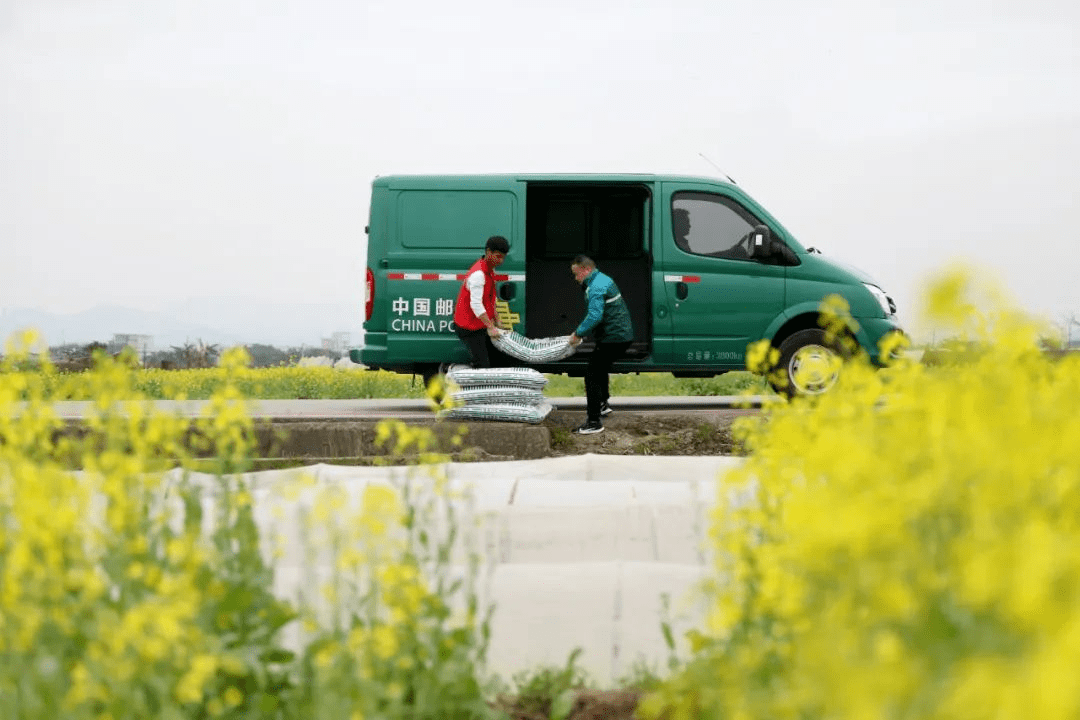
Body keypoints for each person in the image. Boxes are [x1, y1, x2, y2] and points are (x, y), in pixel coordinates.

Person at [568, 255, 634, 434]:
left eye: (577, 274)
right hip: (619, 336)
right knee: (600, 367)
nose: (576, 279)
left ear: (586, 270)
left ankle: (594, 422)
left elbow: (595, 316)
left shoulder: (595, 287)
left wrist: (577, 334)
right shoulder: (602, 278)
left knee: (592, 374)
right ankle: (603, 404)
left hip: (615, 338)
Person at [453, 235, 514, 368]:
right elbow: (476, 305)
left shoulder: (489, 270)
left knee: (497, 359)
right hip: (469, 327)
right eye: (498, 256)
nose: (501, 261)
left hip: (479, 324)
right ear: (488, 252)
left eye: (503, 257)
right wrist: (491, 327)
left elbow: (490, 298)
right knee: (483, 365)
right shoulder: (478, 274)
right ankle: (453, 374)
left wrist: (497, 319)